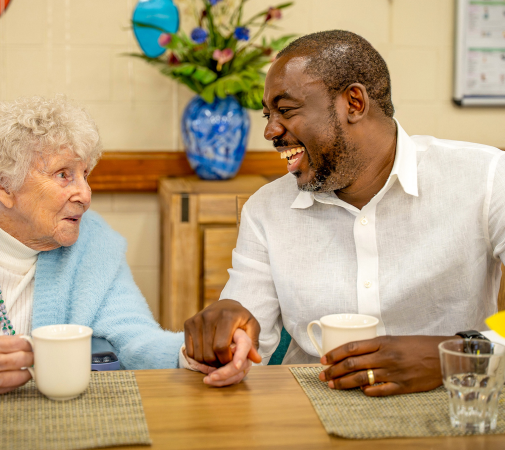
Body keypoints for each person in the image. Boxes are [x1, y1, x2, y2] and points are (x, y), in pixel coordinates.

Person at [184, 30, 505, 396]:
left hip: (455, 410)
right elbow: (246, 333)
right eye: (268, 114)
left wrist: (458, 355)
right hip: (309, 416)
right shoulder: (266, 209)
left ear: (354, 102)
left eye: (285, 110)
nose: (270, 130)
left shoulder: (488, 178)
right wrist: (224, 337)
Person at [0, 95, 251, 397]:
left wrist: (197, 353)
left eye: (85, 174)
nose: (84, 195)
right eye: (63, 175)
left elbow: (132, 338)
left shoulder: (94, 241)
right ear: (3, 185)